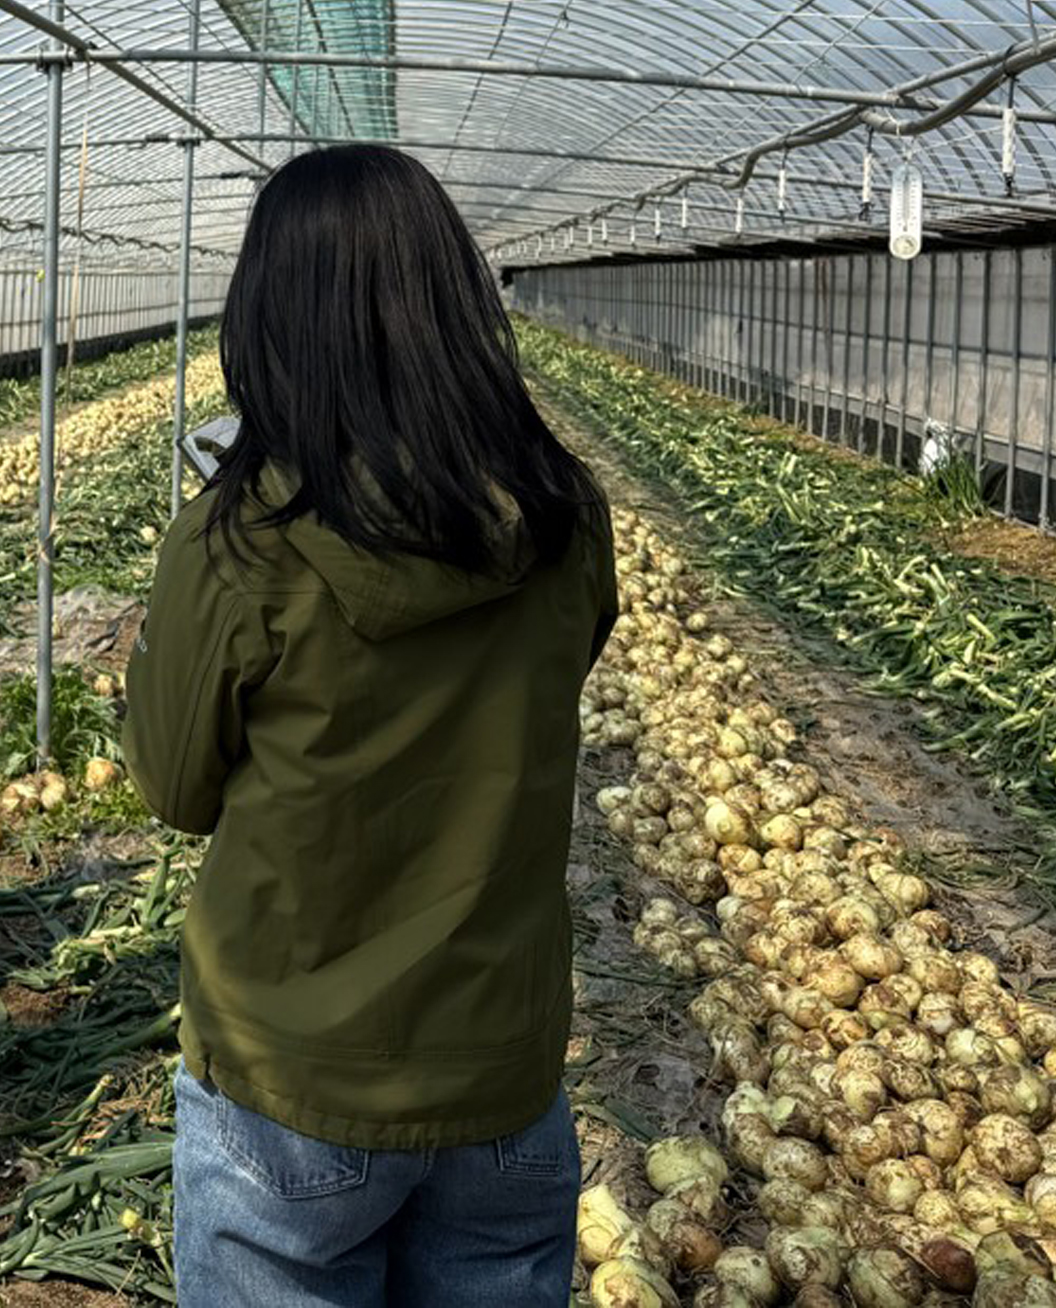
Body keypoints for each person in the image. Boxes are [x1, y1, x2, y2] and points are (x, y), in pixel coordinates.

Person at [123, 146, 616, 1306]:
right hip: (500, 1064)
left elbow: (172, 789)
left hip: (291, 1071)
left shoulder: (239, 540)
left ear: (270, 318)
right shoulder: (564, 518)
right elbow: (558, 678)